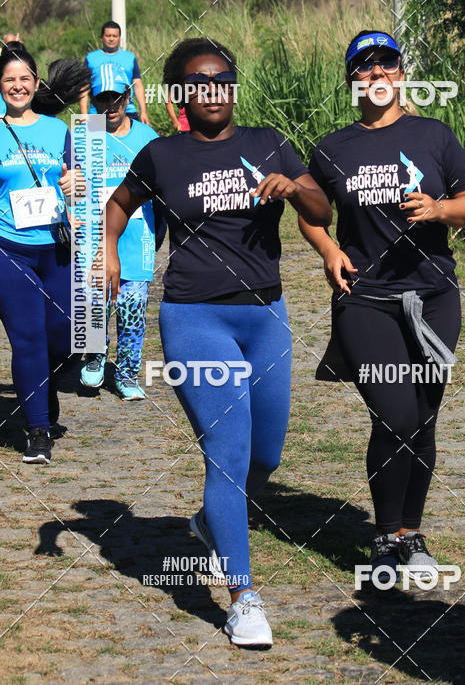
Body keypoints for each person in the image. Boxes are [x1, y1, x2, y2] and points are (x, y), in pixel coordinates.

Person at [97, 37, 331, 647]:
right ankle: (243, 597)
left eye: (222, 78)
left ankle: (208, 522)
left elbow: (321, 209)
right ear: (179, 93)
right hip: (195, 319)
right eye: (198, 81)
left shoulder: (266, 142)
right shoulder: (160, 156)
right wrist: (107, 252)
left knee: (266, 458)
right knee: (226, 452)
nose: (212, 90)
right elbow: (119, 205)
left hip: (266, 315)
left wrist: (293, 188)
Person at [299, 29, 465, 586]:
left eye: (386, 66)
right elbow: (311, 211)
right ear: (352, 78)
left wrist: (440, 208)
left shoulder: (434, 135)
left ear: (401, 74)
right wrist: (329, 250)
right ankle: (383, 537)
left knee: (423, 420)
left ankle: (409, 534)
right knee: (395, 414)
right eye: (364, 68)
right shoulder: (333, 148)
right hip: (367, 300)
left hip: (434, 298)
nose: (376, 76)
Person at [0, 43, 89, 463]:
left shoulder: (58, 130)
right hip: (9, 250)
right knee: (29, 338)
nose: (17, 86)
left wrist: (77, 187)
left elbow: (77, 181)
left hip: (56, 246)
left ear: (36, 83)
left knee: (65, 336)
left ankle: (43, 387)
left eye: (24, 79)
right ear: (0, 87)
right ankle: (37, 429)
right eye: (8, 80)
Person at [80, 75, 158, 399]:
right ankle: (96, 357)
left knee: (132, 305)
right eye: (101, 100)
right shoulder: (85, 135)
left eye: (116, 99)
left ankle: (127, 373)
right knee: (94, 299)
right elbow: (73, 181)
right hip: (95, 231)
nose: (109, 107)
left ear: (128, 96)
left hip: (137, 232)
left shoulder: (147, 136)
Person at [79, 21, 150, 125]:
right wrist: (83, 114)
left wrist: (143, 112)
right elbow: (84, 87)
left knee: (132, 141)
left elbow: (138, 85)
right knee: (90, 141)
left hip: (127, 111)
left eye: (114, 36)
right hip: (97, 112)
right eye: (108, 36)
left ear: (119, 38)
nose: (111, 39)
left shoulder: (129, 57)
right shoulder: (91, 58)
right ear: (102, 37)